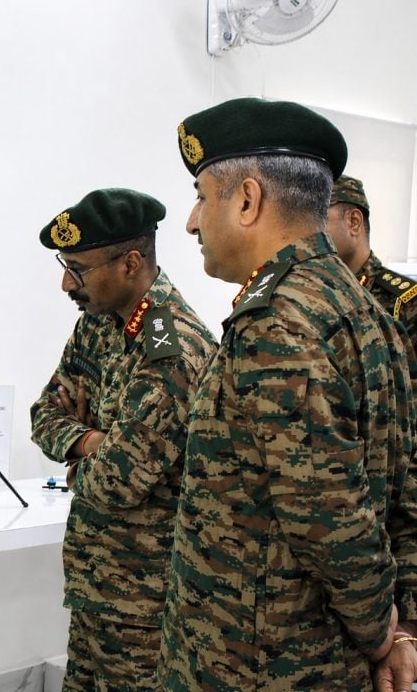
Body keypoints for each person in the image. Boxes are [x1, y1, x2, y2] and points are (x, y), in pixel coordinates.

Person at [160, 97, 417, 691]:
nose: (192, 220)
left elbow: (325, 515)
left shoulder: (277, 320)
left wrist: (382, 632)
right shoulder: (363, 310)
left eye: (202, 195)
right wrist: (401, 629)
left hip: (254, 662)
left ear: (247, 200)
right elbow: (404, 489)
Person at [30, 188, 216, 690]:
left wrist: (84, 461)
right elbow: (43, 415)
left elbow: (119, 479)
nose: (67, 282)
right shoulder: (97, 324)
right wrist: (96, 442)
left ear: (131, 263)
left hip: (147, 603)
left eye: (80, 269)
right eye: (64, 264)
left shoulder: (170, 345)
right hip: (95, 585)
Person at [324, 174, 417, 340]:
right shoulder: (314, 288)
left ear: (354, 222)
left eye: (321, 220)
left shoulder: (404, 303)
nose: (310, 231)